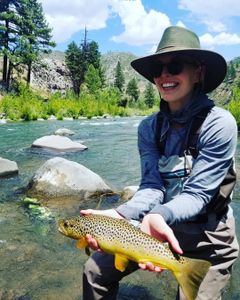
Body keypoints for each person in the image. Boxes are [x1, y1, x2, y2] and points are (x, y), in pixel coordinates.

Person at [80, 26, 239, 300]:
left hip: (209, 238)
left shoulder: (219, 123)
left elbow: (198, 194)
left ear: (198, 72)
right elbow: (152, 186)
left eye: (175, 66)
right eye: (158, 69)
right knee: (94, 272)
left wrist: (158, 215)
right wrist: (122, 214)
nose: (165, 75)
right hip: (155, 228)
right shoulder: (148, 128)